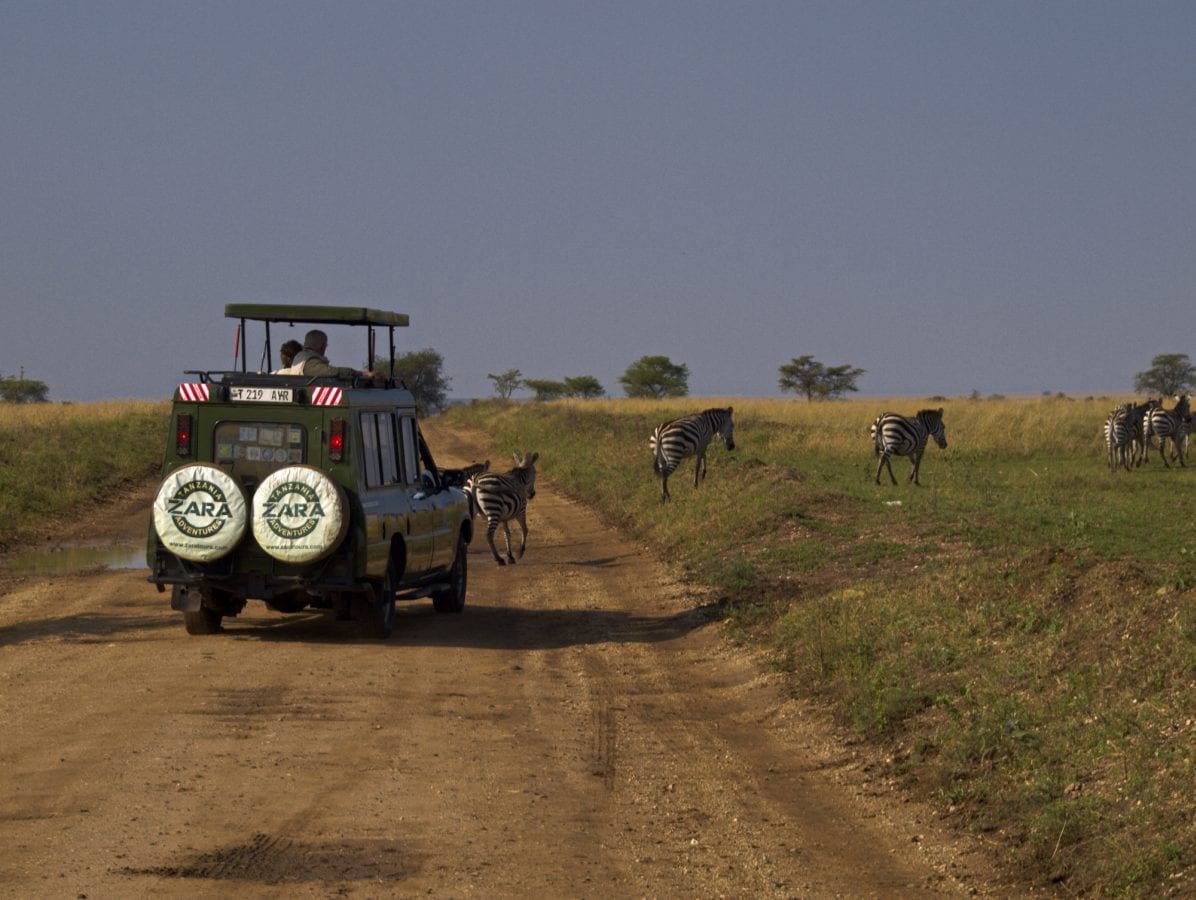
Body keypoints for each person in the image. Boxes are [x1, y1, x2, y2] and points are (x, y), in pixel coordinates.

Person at [289, 329, 379, 380]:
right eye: (325, 346)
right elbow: (332, 372)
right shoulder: (310, 362)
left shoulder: (300, 357)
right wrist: (362, 374)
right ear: (322, 347)